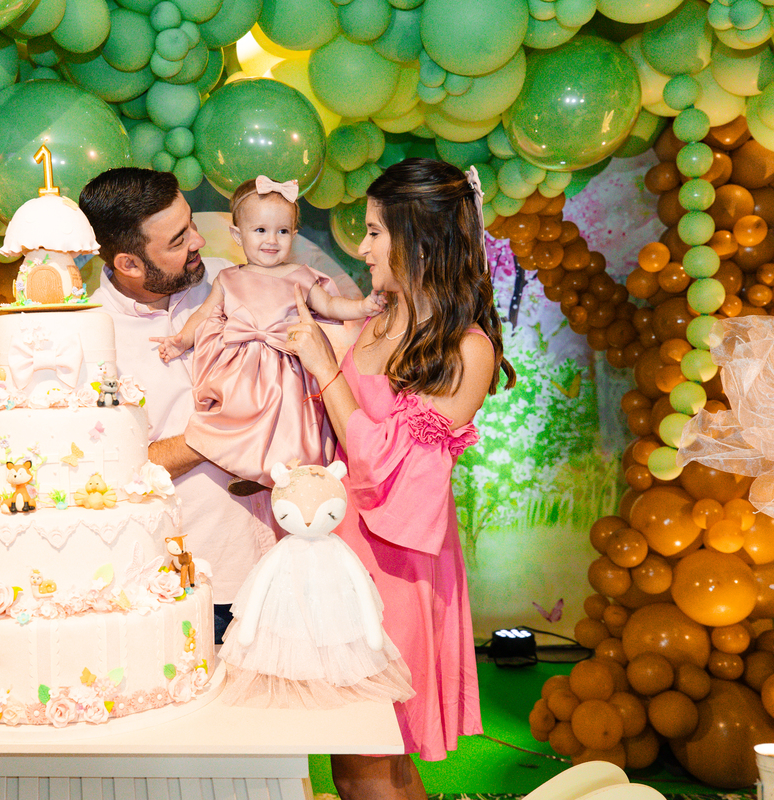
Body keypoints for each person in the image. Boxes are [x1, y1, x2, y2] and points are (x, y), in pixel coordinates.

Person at [284, 158, 516, 800]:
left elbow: (390, 465)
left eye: (374, 232)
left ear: (419, 239)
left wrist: (325, 367)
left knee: (367, 758)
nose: (361, 248)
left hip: (398, 562)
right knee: (360, 757)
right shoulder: (376, 318)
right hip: (341, 551)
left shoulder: (467, 348)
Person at [77, 167, 277, 643]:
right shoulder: (89, 340)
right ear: (129, 263)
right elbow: (110, 472)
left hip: (283, 557)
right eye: (178, 239)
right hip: (193, 581)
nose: (198, 242)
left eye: (191, 225)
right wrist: (221, 431)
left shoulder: (233, 286)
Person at [151, 176, 384, 491]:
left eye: (282, 231)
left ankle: (288, 472)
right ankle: (247, 468)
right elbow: (204, 314)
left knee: (290, 421)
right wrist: (181, 340)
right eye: (260, 230)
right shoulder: (227, 278)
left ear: (294, 236)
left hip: (284, 367)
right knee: (236, 416)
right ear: (238, 235)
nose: (272, 240)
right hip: (241, 369)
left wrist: (362, 306)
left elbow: (330, 305)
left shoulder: (300, 276)